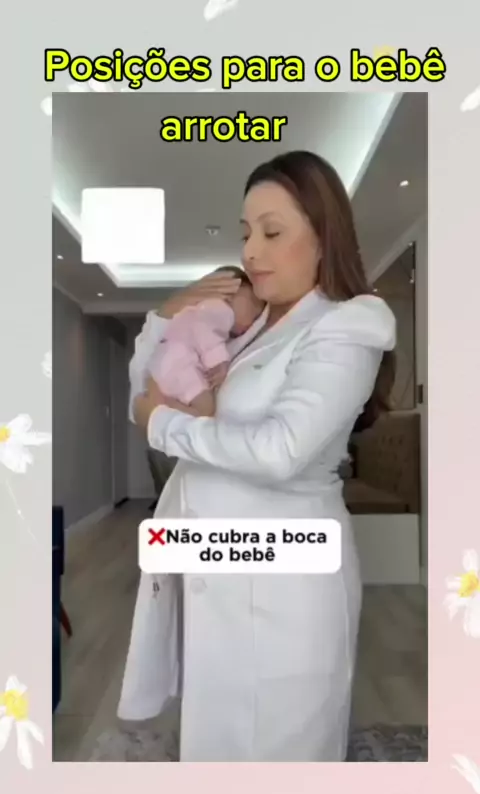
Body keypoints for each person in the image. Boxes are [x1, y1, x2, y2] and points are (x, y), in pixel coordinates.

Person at [118, 150, 396, 762]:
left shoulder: (348, 325)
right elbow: (147, 389)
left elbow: (279, 451)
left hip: (282, 592)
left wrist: (163, 424)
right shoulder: (249, 329)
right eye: (246, 233)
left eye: (272, 232)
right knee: (216, 750)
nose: (250, 251)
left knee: (280, 756)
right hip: (218, 571)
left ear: (323, 238)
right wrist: (166, 315)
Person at [148, 266, 264, 417]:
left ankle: (161, 407)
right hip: (179, 361)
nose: (255, 321)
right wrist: (220, 363)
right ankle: (160, 409)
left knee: (198, 405)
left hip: (169, 362)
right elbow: (204, 331)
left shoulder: (198, 311)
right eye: (255, 307)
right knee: (206, 410)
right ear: (230, 293)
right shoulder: (219, 308)